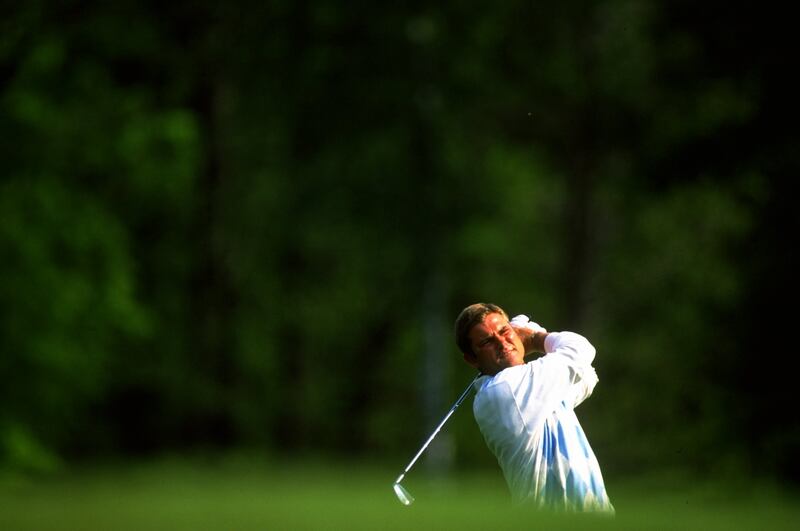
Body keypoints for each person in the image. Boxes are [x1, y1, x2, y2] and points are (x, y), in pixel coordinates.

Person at [455, 302, 614, 513]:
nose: (502, 343)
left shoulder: (536, 390)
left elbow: (587, 376)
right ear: (471, 359)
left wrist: (532, 337)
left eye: (504, 331)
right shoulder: (503, 389)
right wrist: (535, 338)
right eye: (487, 341)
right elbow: (581, 349)